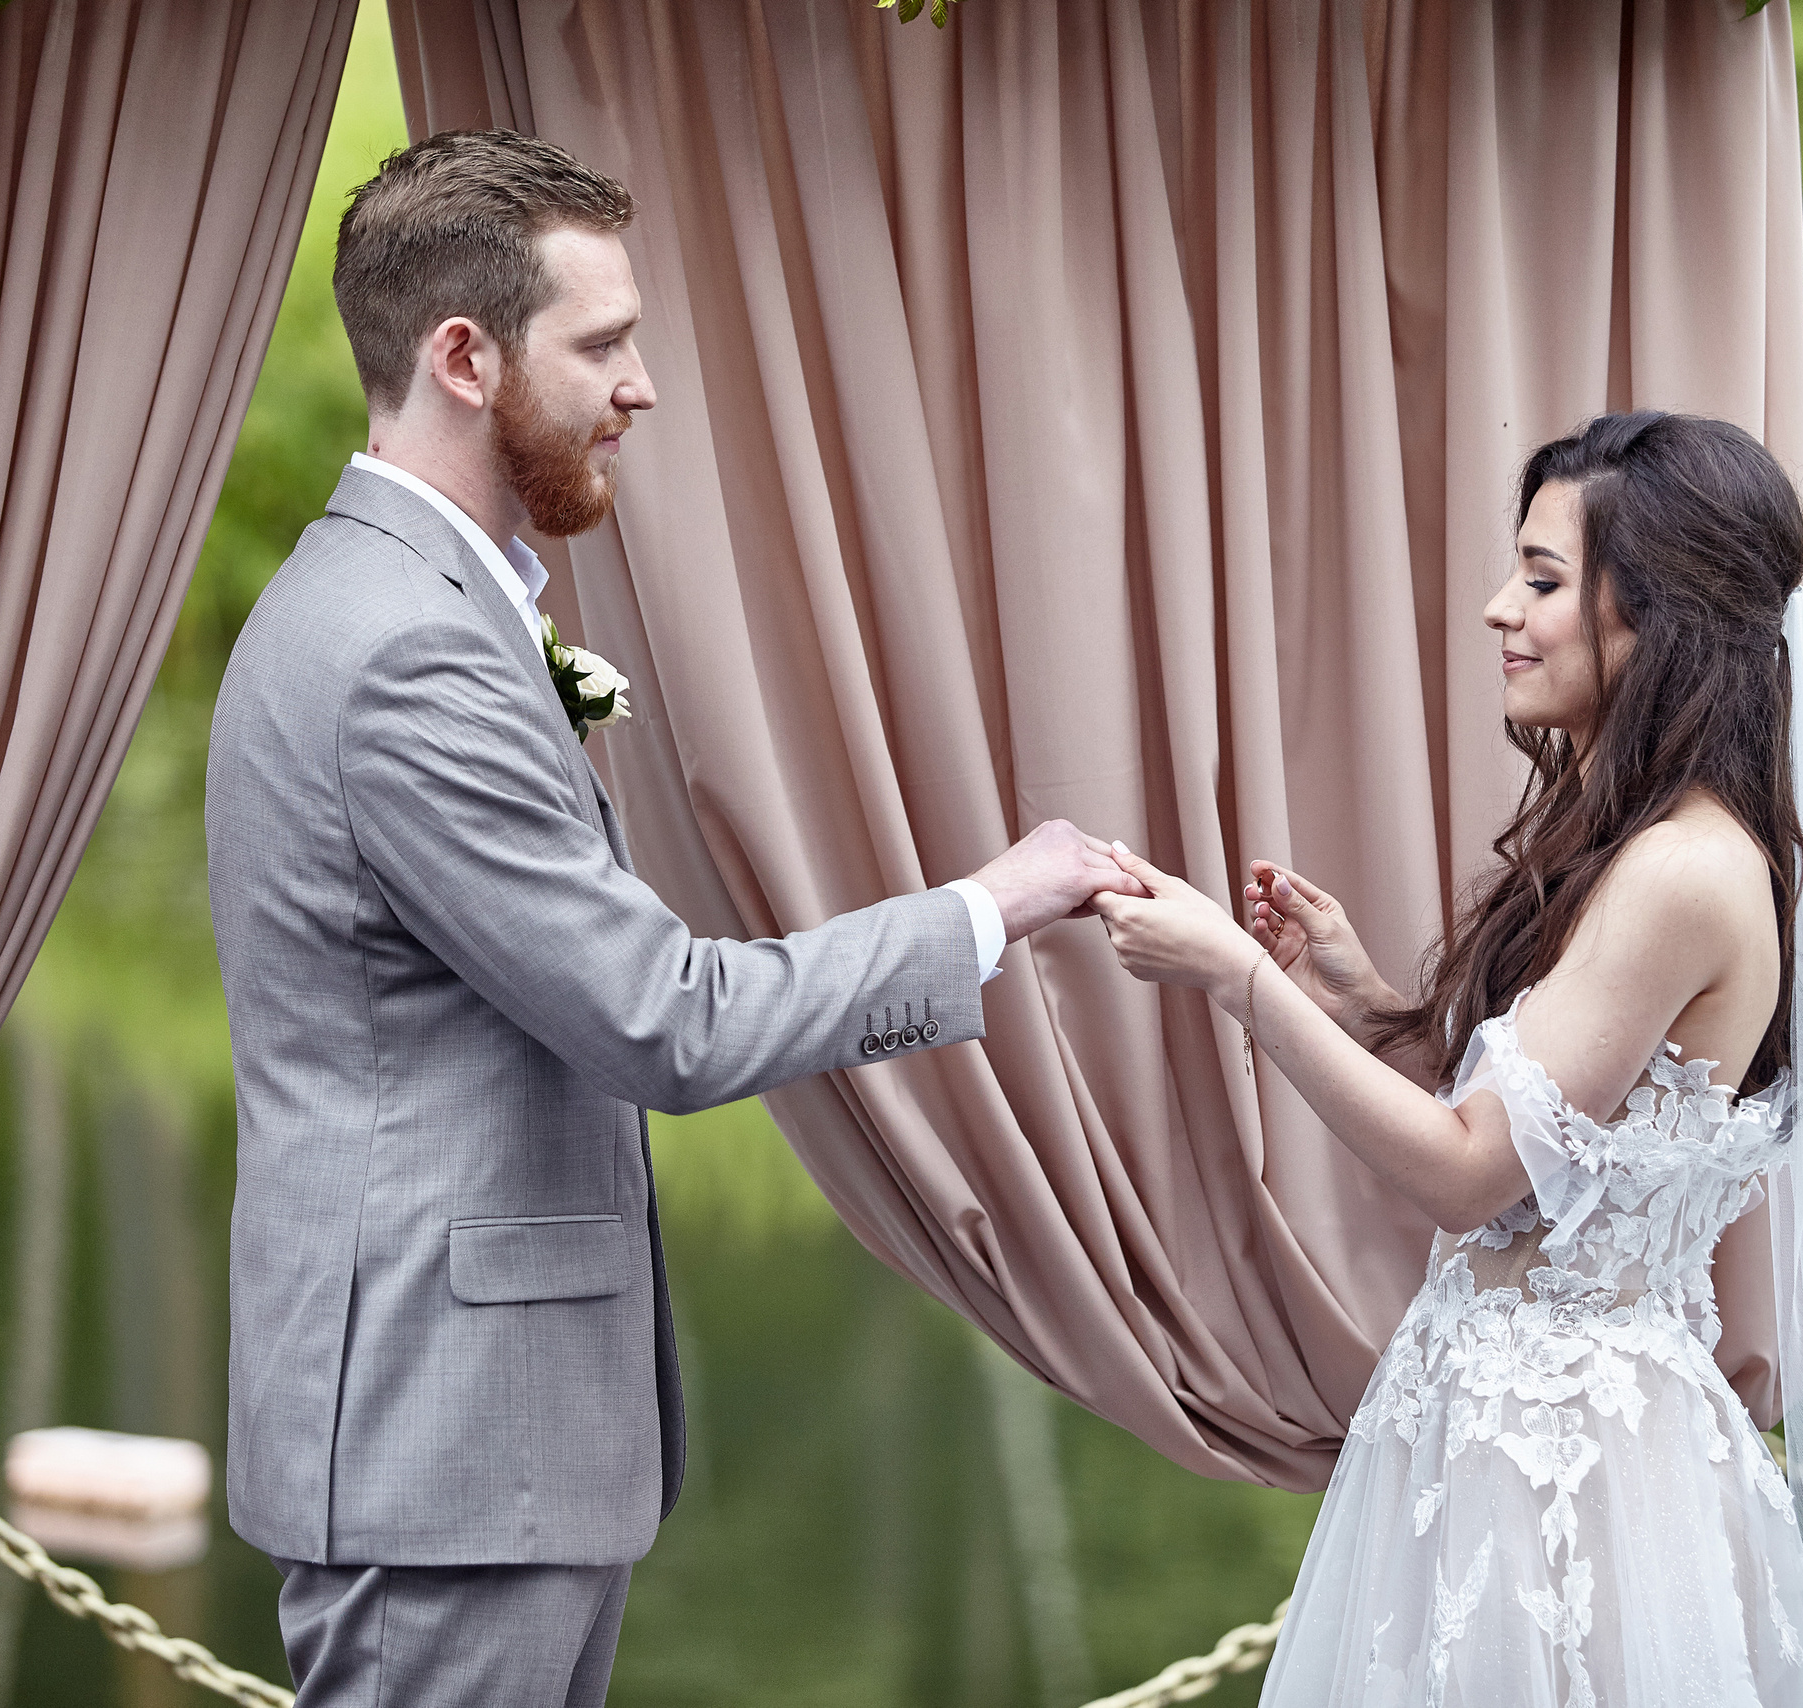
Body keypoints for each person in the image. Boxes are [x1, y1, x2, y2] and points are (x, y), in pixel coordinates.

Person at [205, 129, 1139, 1708]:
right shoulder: (404, 653)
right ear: (463, 357)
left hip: (477, 1448)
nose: (641, 385)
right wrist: (989, 907)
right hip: (449, 1454)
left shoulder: (405, 604)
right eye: (605, 343)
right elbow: (665, 1019)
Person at [1091, 413, 1803, 1705]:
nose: (1495, 611)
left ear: (1658, 614)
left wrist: (1235, 979)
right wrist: (1369, 1002)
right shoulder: (1641, 842)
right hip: (1499, 1438)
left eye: (1540, 579)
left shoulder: (1683, 869)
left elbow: (1471, 1177)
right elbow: (1567, 1126)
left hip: (1581, 1477)